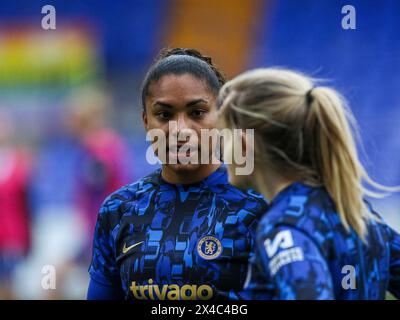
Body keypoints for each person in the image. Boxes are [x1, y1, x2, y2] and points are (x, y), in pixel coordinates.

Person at [87, 48, 268, 300]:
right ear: (145, 122)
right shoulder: (118, 210)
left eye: (197, 113)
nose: (181, 130)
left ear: (222, 117)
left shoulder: (259, 204)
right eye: (164, 115)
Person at [217, 67, 400, 299]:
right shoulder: (359, 215)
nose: (221, 150)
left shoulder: (286, 228)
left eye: (224, 136)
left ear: (245, 145)